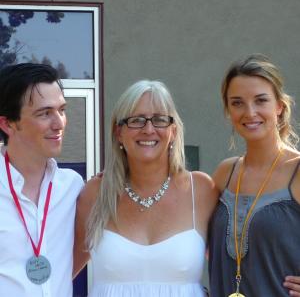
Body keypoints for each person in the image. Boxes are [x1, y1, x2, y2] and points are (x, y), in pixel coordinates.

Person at [73, 80, 218, 296]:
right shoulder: (95, 193)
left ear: (173, 131)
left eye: (159, 120)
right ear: (118, 132)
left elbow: (236, 264)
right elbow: (59, 274)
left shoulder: (201, 190)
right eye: (136, 120)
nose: (148, 129)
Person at [209, 54, 300, 297]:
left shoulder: (297, 171)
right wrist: (120, 177)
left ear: (279, 106)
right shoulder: (224, 173)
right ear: (228, 109)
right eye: (237, 102)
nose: (250, 112)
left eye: (261, 100)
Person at [0, 63, 84, 296]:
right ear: (7, 123)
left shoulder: (73, 187)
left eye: (62, 110)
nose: (59, 124)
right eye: (45, 113)